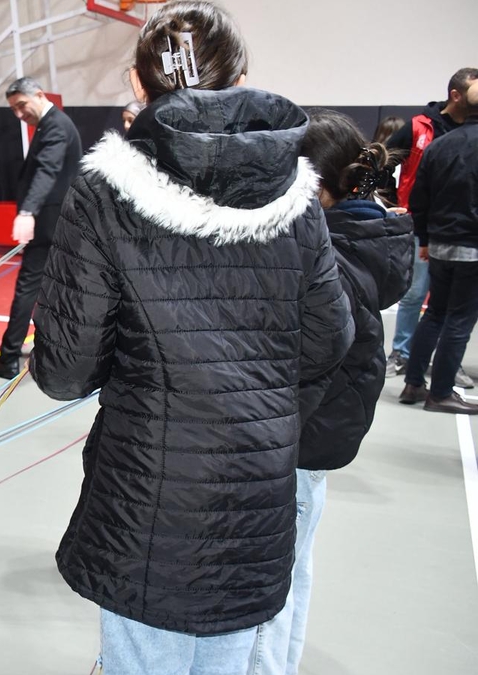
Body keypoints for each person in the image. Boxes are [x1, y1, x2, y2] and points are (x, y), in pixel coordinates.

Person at [27, 3, 353, 673]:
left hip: (147, 496)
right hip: (255, 490)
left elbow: (65, 369)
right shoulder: (295, 187)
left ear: (137, 84)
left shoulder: (104, 190)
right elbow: (329, 338)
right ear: (240, 75)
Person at [251, 110, 413, 674]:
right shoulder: (363, 236)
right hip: (311, 446)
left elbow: (306, 357)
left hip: (293, 444)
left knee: (265, 590)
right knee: (292, 574)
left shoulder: (327, 260)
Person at [0, 76, 82, 380]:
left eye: (21, 105)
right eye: (13, 109)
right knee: (55, 290)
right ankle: (51, 350)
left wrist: (28, 210)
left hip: (49, 223)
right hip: (59, 223)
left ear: (39, 95)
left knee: (28, 287)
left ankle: (9, 357)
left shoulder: (55, 126)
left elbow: (47, 170)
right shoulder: (52, 124)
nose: (18, 114)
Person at [384, 68, 478, 381]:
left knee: (445, 308)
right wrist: (386, 203)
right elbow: (380, 161)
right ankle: (402, 353)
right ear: (456, 95)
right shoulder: (418, 127)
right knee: (417, 296)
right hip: (423, 226)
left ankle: (442, 365)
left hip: (451, 229)